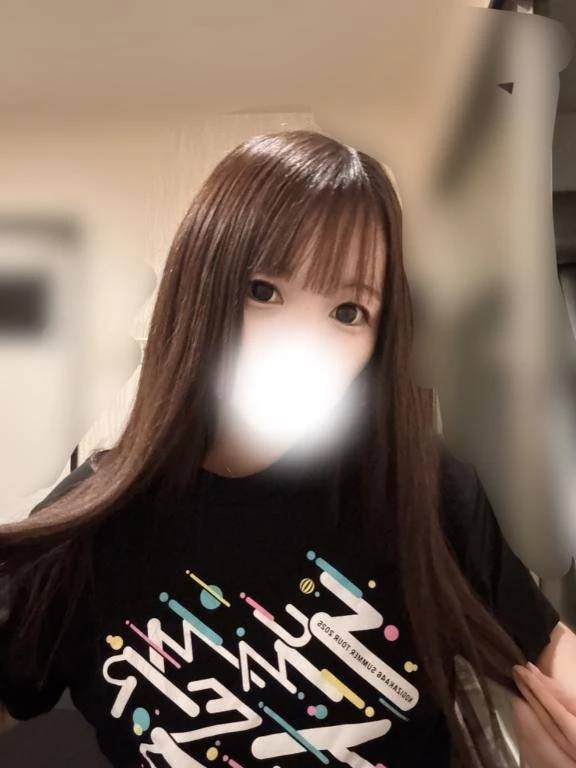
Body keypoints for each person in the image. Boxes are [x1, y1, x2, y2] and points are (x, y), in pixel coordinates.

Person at [0, 130, 566, 768]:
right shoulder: (95, 523)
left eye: (349, 312)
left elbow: (550, 649)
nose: (301, 342)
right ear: (200, 292)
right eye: (263, 291)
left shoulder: (425, 489)